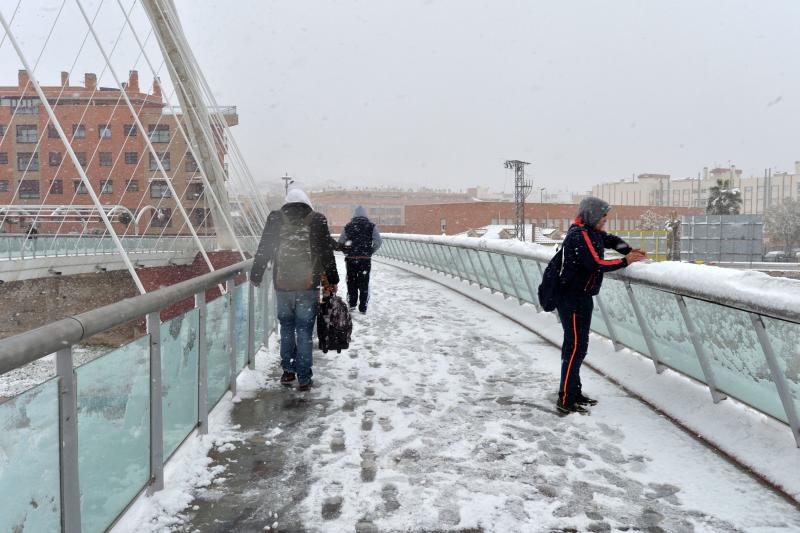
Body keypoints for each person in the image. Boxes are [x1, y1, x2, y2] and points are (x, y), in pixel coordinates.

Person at [556, 197, 647, 414]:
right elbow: (597, 264)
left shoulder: (591, 231)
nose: (605, 220)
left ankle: (573, 392)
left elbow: (611, 240)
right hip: (572, 299)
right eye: (603, 216)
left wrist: (629, 251)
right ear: (593, 215)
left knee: (577, 348)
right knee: (575, 348)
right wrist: (626, 261)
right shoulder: (580, 235)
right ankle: (566, 399)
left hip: (580, 297)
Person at [250, 189, 339, 391]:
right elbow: (326, 252)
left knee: (287, 327)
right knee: (304, 330)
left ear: (287, 203)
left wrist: (256, 273)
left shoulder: (276, 218)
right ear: (307, 203)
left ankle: (288, 371)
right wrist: (332, 279)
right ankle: (305, 378)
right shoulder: (317, 220)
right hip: (307, 285)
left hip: (283, 284)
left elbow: (265, 247)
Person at [338, 206, 382, 313]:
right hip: (365, 259)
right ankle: (363, 307)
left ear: (354, 215)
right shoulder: (371, 226)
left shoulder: (348, 227)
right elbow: (378, 241)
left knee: (351, 281)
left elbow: (340, 242)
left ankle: (352, 304)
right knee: (364, 282)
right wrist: (370, 251)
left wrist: (347, 252)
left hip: (351, 259)